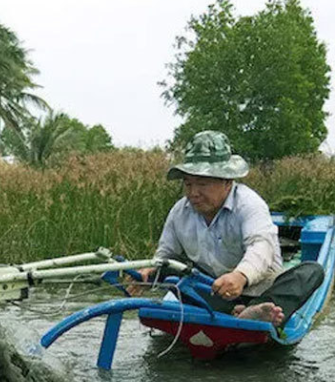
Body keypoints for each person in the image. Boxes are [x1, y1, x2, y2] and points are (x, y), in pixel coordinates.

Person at [130, 131, 323, 326]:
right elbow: (166, 253)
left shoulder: (249, 204)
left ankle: (258, 311)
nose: (193, 193)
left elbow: (260, 246)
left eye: (202, 184)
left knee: (311, 272)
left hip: (259, 287)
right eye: (188, 184)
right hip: (213, 290)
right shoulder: (180, 211)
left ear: (227, 182)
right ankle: (233, 312)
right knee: (168, 269)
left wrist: (240, 276)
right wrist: (149, 271)